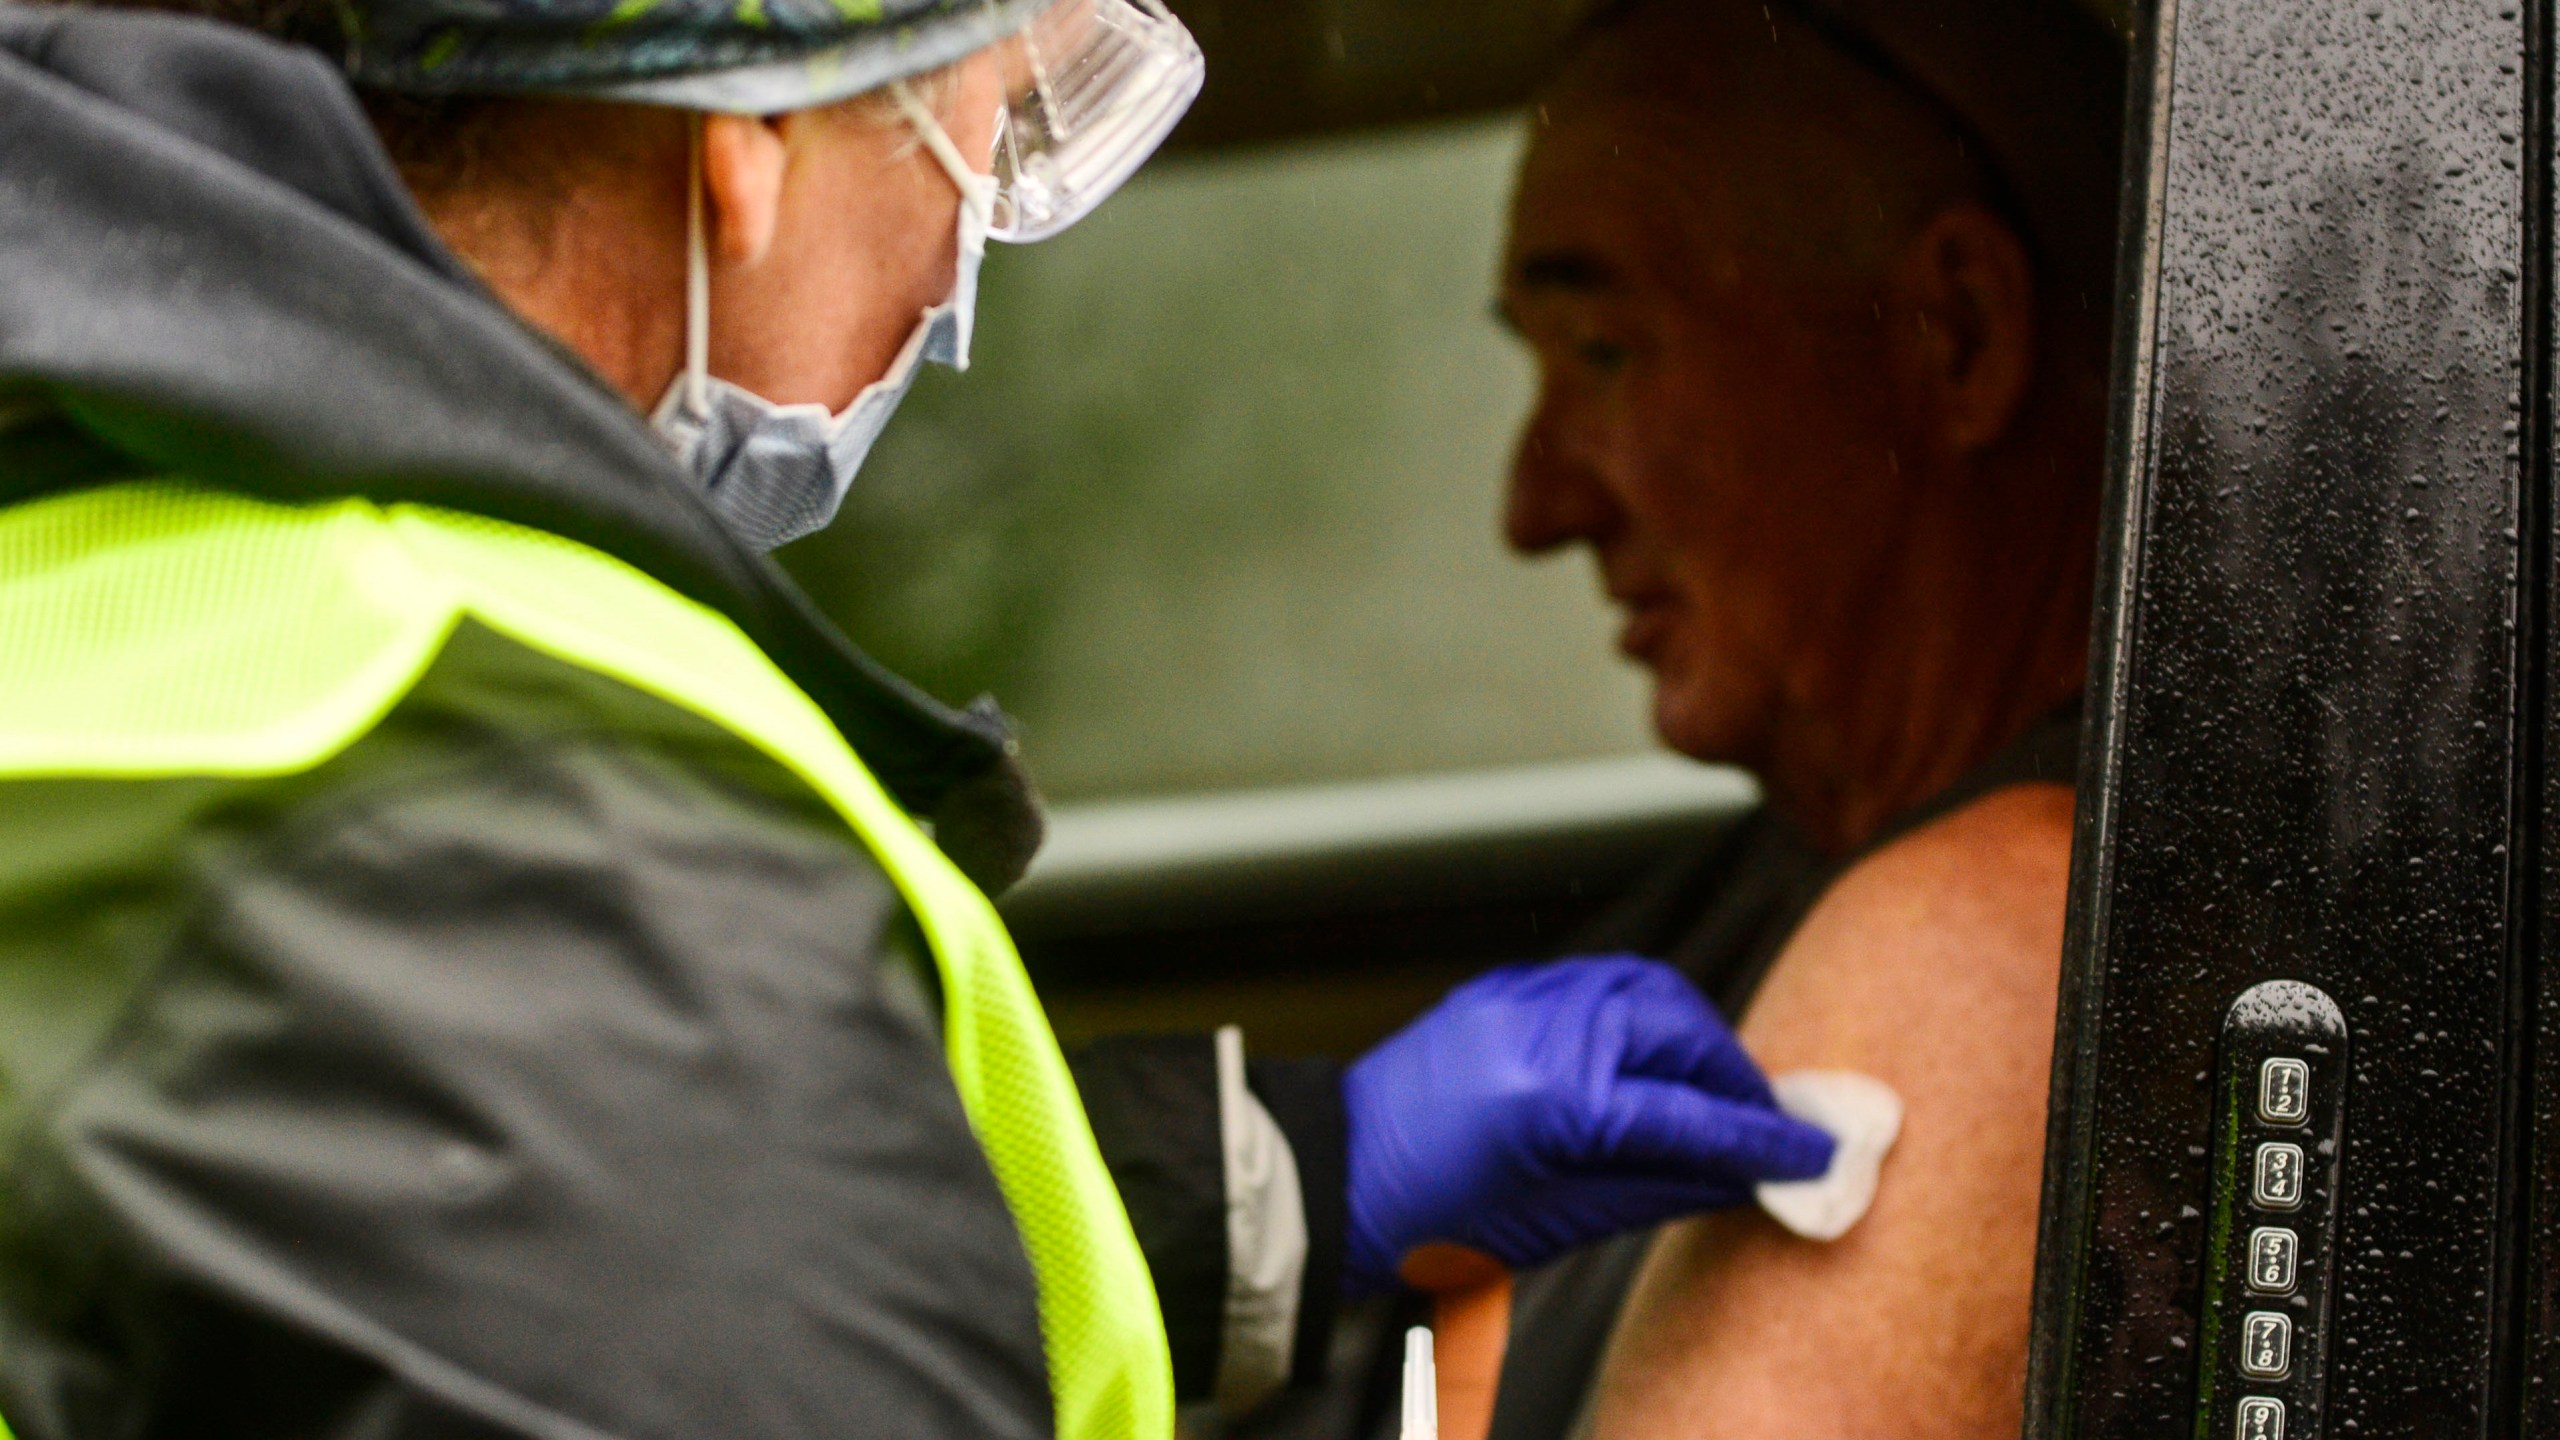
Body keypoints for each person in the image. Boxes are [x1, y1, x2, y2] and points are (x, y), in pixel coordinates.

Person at [0, 2, 1840, 1438]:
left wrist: (1289, 1181)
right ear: (754, 136)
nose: (962, 285)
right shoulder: (546, 866)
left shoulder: (143, 582)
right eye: (988, 144)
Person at [1476, 0, 2125, 1434]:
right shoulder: (1759, 877)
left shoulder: (1991, 938)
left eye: (1603, 352)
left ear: (1956, 335)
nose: (1537, 507)